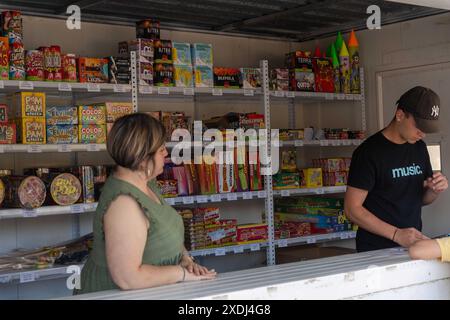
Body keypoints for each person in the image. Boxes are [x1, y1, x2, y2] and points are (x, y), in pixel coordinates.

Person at [76, 113, 216, 294]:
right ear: (142, 158)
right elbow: (127, 278)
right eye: (160, 149)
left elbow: (164, 227)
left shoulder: (146, 182)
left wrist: (185, 259)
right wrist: (180, 273)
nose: (166, 152)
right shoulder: (124, 203)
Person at [345, 86, 448, 252]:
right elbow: (352, 209)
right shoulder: (368, 153)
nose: (423, 134)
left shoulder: (419, 148)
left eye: (427, 129)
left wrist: (434, 190)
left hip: (413, 245)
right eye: (419, 126)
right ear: (400, 115)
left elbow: (420, 199)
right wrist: (396, 234)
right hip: (375, 249)